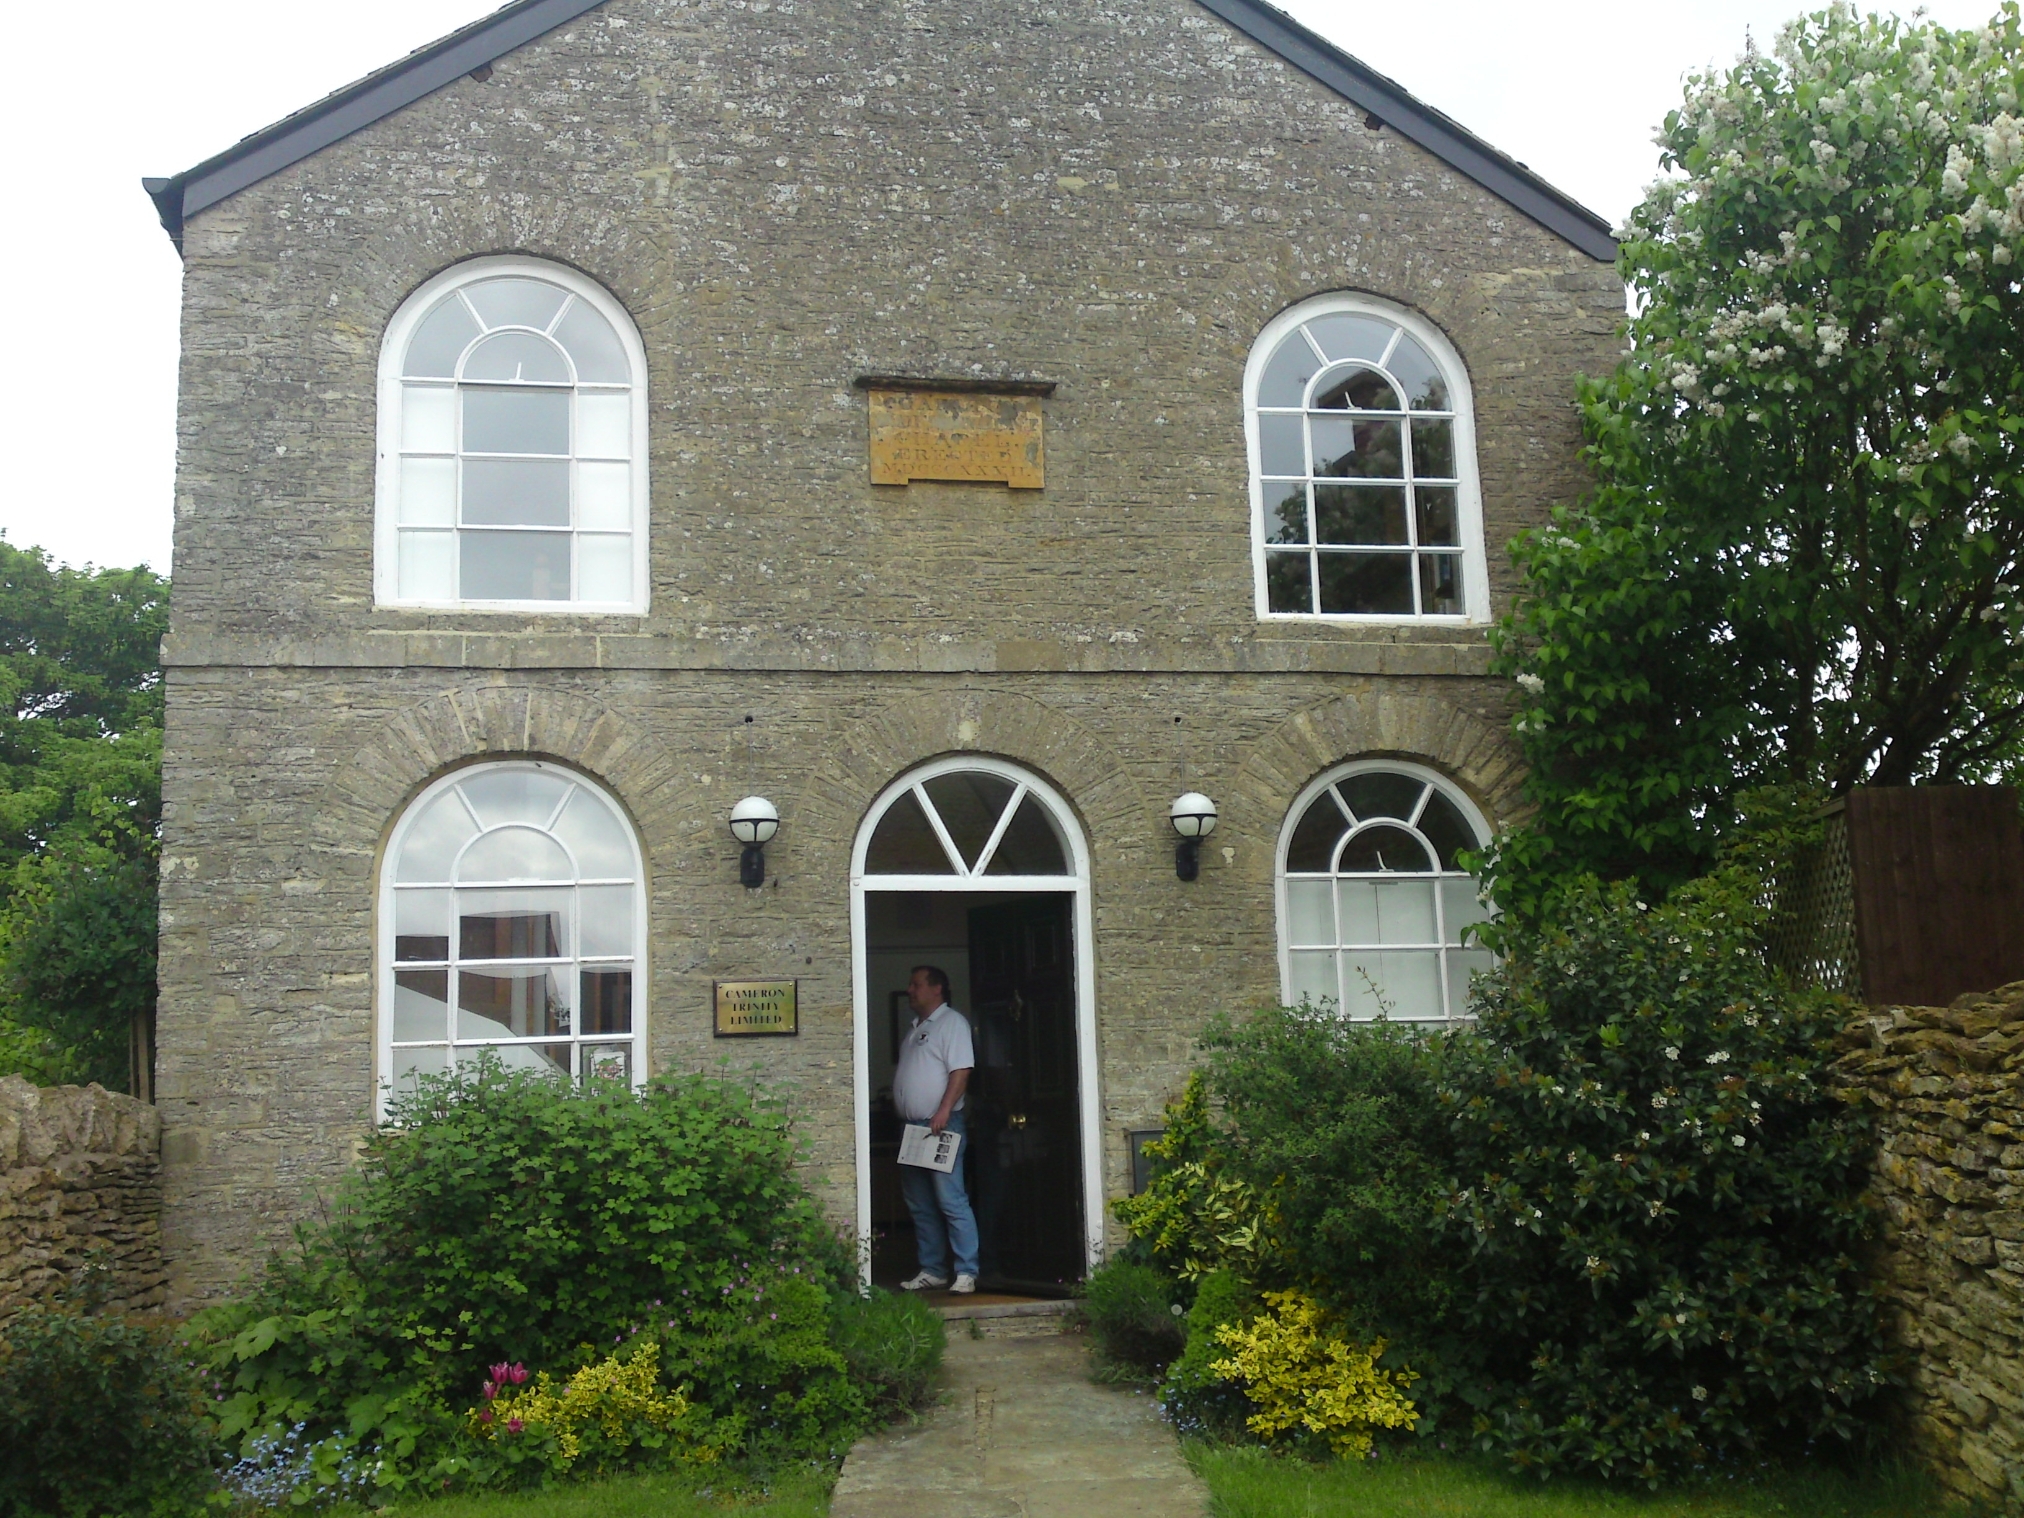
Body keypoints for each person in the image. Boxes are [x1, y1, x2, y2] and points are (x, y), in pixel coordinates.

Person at [893, 964, 979, 1294]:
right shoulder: (917, 1027)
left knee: (950, 1199)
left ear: (937, 988)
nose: (910, 990)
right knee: (919, 1201)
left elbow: (961, 1070)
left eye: (916, 984)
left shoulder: (951, 1023)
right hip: (913, 1128)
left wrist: (943, 1111)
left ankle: (967, 1271)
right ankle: (933, 1268)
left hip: (939, 1126)